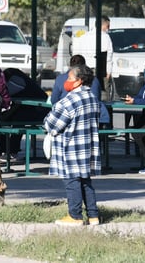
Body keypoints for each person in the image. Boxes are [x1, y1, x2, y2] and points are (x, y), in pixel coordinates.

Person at [44, 65, 101, 226]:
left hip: (71, 147)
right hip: (87, 146)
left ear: (79, 81)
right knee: (85, 181)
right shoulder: (92, 98)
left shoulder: (69, 101)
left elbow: (52, 124)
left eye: (70, 78)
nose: (66, 82)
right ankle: (93, 215)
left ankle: (75, 216)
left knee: (72, 181)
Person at [0, 68, 49, 162]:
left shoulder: (14, 81)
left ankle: (12, 151)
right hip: (27, 107)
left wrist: (6, 114)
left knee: (17, 120)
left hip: (39, 109)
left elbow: (17, 101)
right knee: (3, 120)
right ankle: (4, 150)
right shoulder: (12, 75)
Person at [100, 15, 114, 100]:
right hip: (102, 70)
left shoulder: (85, 37)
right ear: (103, 25)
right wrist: (108, 72)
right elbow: (109, 56)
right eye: (107, 26)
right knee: (105, 96)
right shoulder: (106, 37)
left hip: (87, 71)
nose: (108, 28)